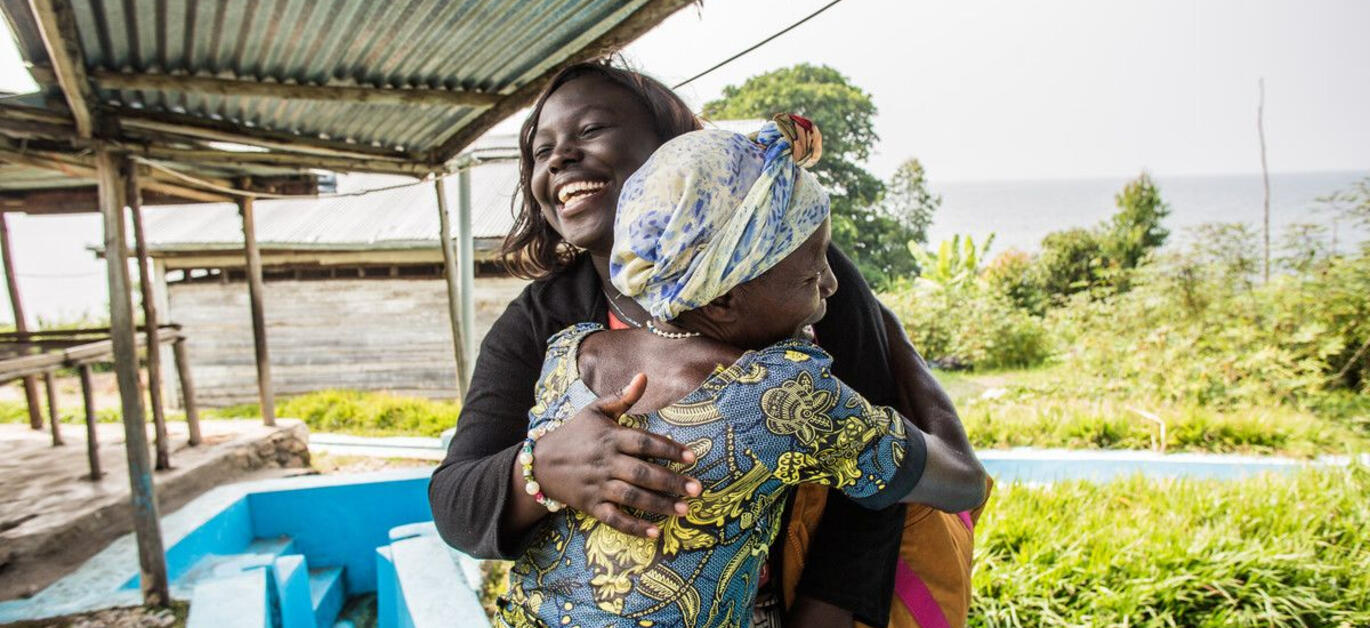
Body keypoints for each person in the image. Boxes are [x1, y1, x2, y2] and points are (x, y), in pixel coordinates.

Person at [429, 61, 986, 628]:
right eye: (540, 150)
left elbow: (875, 465)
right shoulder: (549, 326)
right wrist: (542, 468)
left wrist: (824, 613)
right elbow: (455, 501)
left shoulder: (796, 268)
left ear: (676, 149)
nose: (559, 157)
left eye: (590, 130)